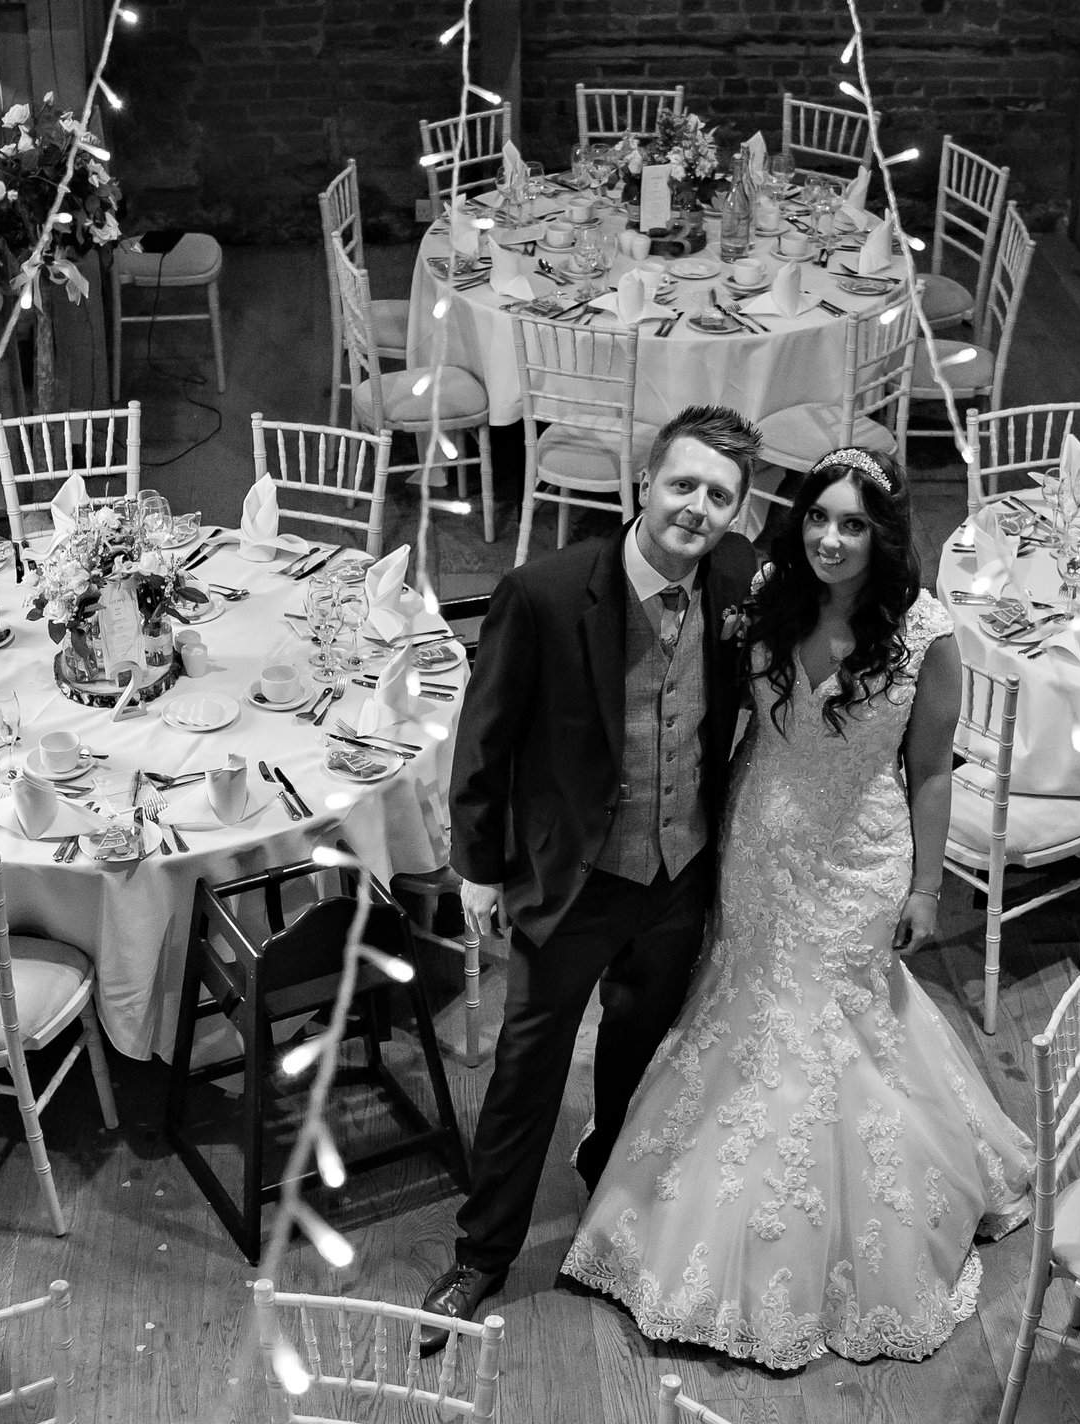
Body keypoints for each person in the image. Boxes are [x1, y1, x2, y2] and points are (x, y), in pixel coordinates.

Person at [559, 447, 1036, 1370]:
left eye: (854, 524)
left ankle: (834, 1245)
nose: (831, 537)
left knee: (832, 1025)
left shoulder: (929, 637)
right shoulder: (770, 596)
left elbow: (932, 770)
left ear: (884, 537)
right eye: (820, 516)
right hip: (755, 842)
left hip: (858, 858)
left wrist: (929, 886)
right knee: (742, 1006)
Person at [417, 407, 767, 1351]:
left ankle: (611, 1197)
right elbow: (481, 740)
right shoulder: (542, 592)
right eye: (684, 484)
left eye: (719, 495)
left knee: (637, 1049)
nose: (697, 508)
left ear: (737, 514)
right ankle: (481, 1252)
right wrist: (478, 868)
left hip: (681, 870)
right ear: (644, 484)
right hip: (570, 877)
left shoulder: (738, 582)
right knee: (528, 1068)